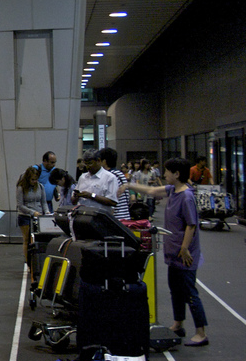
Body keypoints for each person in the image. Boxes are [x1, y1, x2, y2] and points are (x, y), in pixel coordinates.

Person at [122, 158, 208, 347]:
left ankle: (201, 332)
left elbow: (191, 225)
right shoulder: (172, 190)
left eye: (168, 172)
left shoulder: (186, 196)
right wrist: (128, 185)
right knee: (176, 291)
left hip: (184, 253)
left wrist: (185, 248)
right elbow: (152, 191)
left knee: (190, 293)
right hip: (173, 252)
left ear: (177, 174)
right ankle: (178, 324)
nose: (164, 174)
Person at [15, 165, 46, 279]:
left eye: (36, 179)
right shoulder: (21, 188)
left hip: (39, 216)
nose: (34, 181)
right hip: (25, 216)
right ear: (28, 179)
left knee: (38, 240)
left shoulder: (40, 187)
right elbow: (20, 205)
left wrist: (46, 212)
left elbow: (43, 202)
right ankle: (28, 263)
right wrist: (33, 212)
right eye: (32, 179)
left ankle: (37, 262)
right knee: (27, 240)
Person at [72, 149, 119, 216]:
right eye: (86, 164)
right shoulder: (82, 177)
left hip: (99, 218)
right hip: (82, 216)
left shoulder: (110, 177)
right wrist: (76, 196)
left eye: (90, 163)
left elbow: (113, 202)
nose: (88, 167)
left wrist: (91, 195)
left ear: (99, 161)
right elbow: (73, 201)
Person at [99, 147, 131, 221]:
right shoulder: (119, 174)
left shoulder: (111, 176)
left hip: (116, 218)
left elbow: (112, 199)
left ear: (104, 161)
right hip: (125, 216)